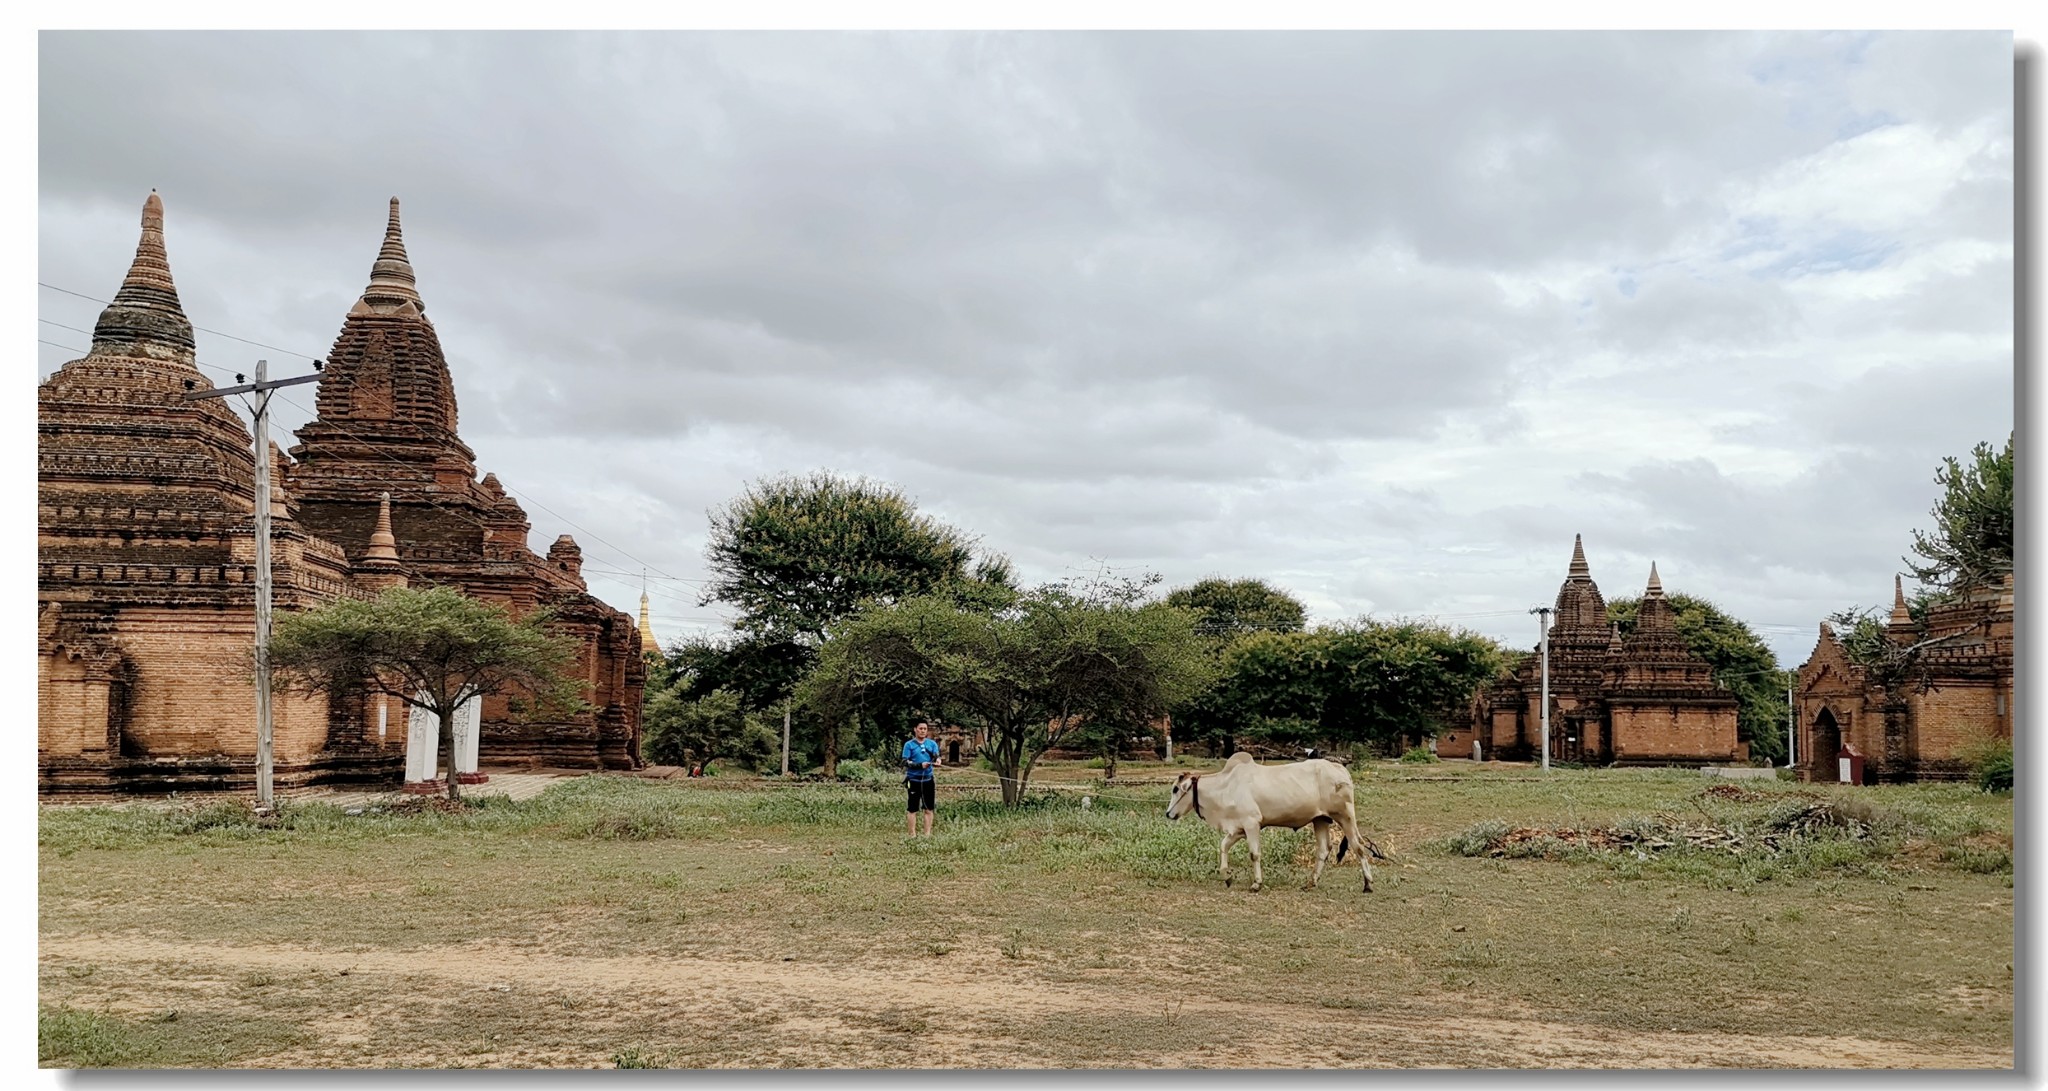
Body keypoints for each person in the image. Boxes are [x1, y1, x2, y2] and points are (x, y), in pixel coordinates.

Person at [902, 721, 941, 837]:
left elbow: (936, 756)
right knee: (912, 808)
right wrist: (919, 765)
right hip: (913, 780)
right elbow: (905, 762)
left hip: (928, 780)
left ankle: (927, 835)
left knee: (929, 808)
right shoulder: (909, 745)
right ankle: (912, 835)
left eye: (925, 729)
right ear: (915, 729)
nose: (923, 731)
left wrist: (938, 760)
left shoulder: (932, 744)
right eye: (920, 728)